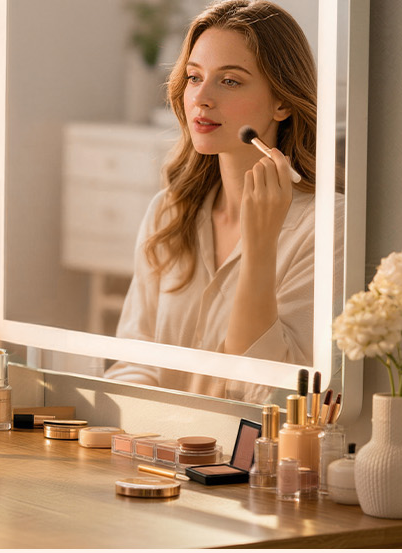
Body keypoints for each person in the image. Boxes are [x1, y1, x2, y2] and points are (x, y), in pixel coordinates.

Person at [104, 0, 329, 402]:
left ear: (281, 102)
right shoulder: (168, 212)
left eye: (229, 81)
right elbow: (134, 359)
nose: (201, 98)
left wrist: (260, 248)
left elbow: (271, 395)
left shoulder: (326, 228)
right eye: (194, 77)